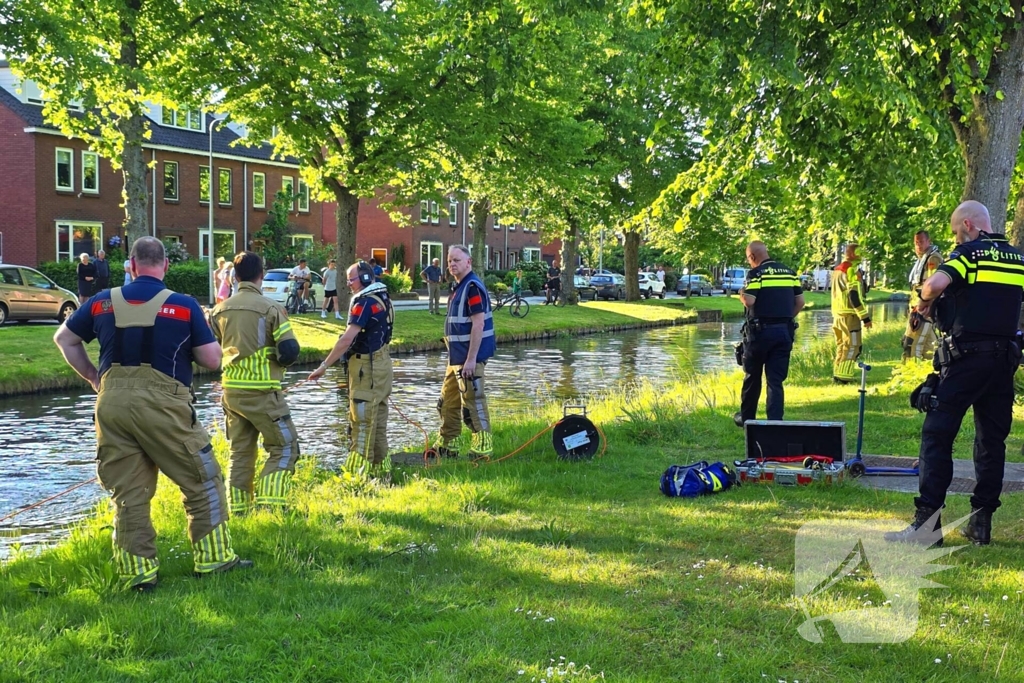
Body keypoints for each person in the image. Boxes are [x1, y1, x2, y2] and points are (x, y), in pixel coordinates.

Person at [53, 237, 250, 591]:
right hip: (164, 405)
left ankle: (137, 575)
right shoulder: (184, 305)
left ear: (131, 265)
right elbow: (211, 359)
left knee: (128, 491)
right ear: (166, 265)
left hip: (111, 404)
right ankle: (215, 560)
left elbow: (64, 339)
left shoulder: (100, 302)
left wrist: (95, 378)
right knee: (202, 479)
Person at [886, 201, 1024, 547]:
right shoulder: (1018, 259)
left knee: (937, 435)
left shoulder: (968, 254)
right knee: (991, 442)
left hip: (966, 360)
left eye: (956, 231)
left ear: (968, 225)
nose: (955, 237)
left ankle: (927, 526)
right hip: (1004, 361)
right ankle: (981, 523)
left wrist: (924, 297)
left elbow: (933, 285)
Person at [210, 251, 302, 514]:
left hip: (231, 393)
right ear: (261, 275)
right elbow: (290, 350)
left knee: (240, 452)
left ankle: (239, 510)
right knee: (285, 447)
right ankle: (271, 507)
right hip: (263, 393)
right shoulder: (271, 308)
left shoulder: (219, 310)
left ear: (235, 277)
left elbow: (210, 351)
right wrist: (279, 365)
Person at [308, 261, 395, 481]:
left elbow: (346, 340)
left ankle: (356, 477)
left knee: (362, 422)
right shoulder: (383, 296)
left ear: (365, 278)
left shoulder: (364, 302)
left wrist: (324, 366)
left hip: (366, 368)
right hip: (383, 365)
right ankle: (382, 472)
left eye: (351, 279)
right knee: (378, 423)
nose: (348, 284)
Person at [734, 241, 804, 427]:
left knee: (752, 377)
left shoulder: (756, 273)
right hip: (784, 332)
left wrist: (741, 293)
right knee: (775, 381)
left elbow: (749, 301)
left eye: (748, 259)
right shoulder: (789, 273)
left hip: (759, 334)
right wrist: (784, 319)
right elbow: (800, 302)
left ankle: (747, 418)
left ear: (752, 257)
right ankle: (775, 423)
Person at [436, 245, 495, 458]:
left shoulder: (472, 287)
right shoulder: (459, 287)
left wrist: (471, 360)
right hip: (456, 357)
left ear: (468, 262)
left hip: (469, 358)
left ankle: (482, 449)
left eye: (457, 260)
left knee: (473, 403)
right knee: (447, 401)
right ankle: (448, 444)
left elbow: (478, 324)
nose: (452, 264)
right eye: (449, 260)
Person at [830, 243, 872, 383]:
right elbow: (853, 296)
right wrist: (865, 317)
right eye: (860, 252)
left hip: (837, 315)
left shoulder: (837, 269)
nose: (862, 256)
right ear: (854, 254)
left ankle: (837, 374)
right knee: (853, 346)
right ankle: (844, 377)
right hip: (849, 315)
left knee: (842, 346)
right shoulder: (851, 271)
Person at [902, 230, 945, 361]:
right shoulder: (921, 260)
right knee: (931, 347)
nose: (918, 245)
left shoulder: (933, 259)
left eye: (921, 242)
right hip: (917, 307)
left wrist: (923, 306)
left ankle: (910, 370)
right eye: (916, 243)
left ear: (928, 241)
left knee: (912, 344)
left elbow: (933, 285)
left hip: (923, 309)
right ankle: (936, 368)